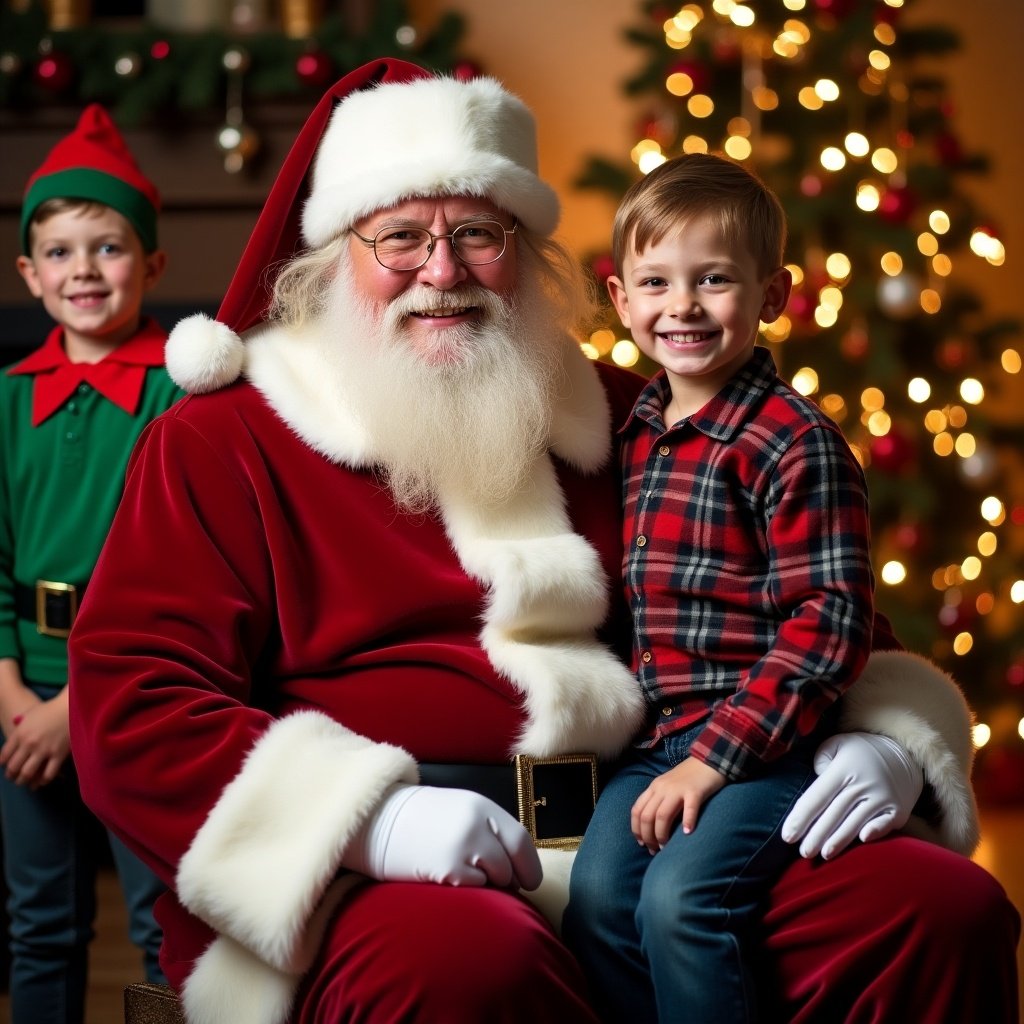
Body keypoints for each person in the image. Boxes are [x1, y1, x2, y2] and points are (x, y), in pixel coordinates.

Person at [66, 59, 1018, 1024]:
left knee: (937, 909)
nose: (441, 272)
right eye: (400, 235)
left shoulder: (633, 412)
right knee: (468, 971)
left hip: (665, 815)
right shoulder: (226, 438)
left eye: (477, 233)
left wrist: (889, 744)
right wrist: (373, 819)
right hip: (390, 870)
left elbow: (823, 609)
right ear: (333, 256)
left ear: (524, 250)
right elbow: (133, 702)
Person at [562, 152, 882, 1022]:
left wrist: (714, 761)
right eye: (656, 282)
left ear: (772, 296)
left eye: (714, 280)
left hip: (765, 749)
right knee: (595, 902)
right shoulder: (629, 433)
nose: (684, 307)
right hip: (656, 742)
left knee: (682, 902)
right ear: (622, 302)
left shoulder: (793, 443)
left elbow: (830, 623)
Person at [0, 105, 181, 1023]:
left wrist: (79, 706)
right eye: (61, 253)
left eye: (106, 249)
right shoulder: (5, 400)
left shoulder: (178, 396)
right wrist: (15, 701)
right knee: (40, 921)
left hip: (131, 694)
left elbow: (175, 568)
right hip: (22, 702)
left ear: (150, 264)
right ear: (30, 274)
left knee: (162, 924)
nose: (83, 272)